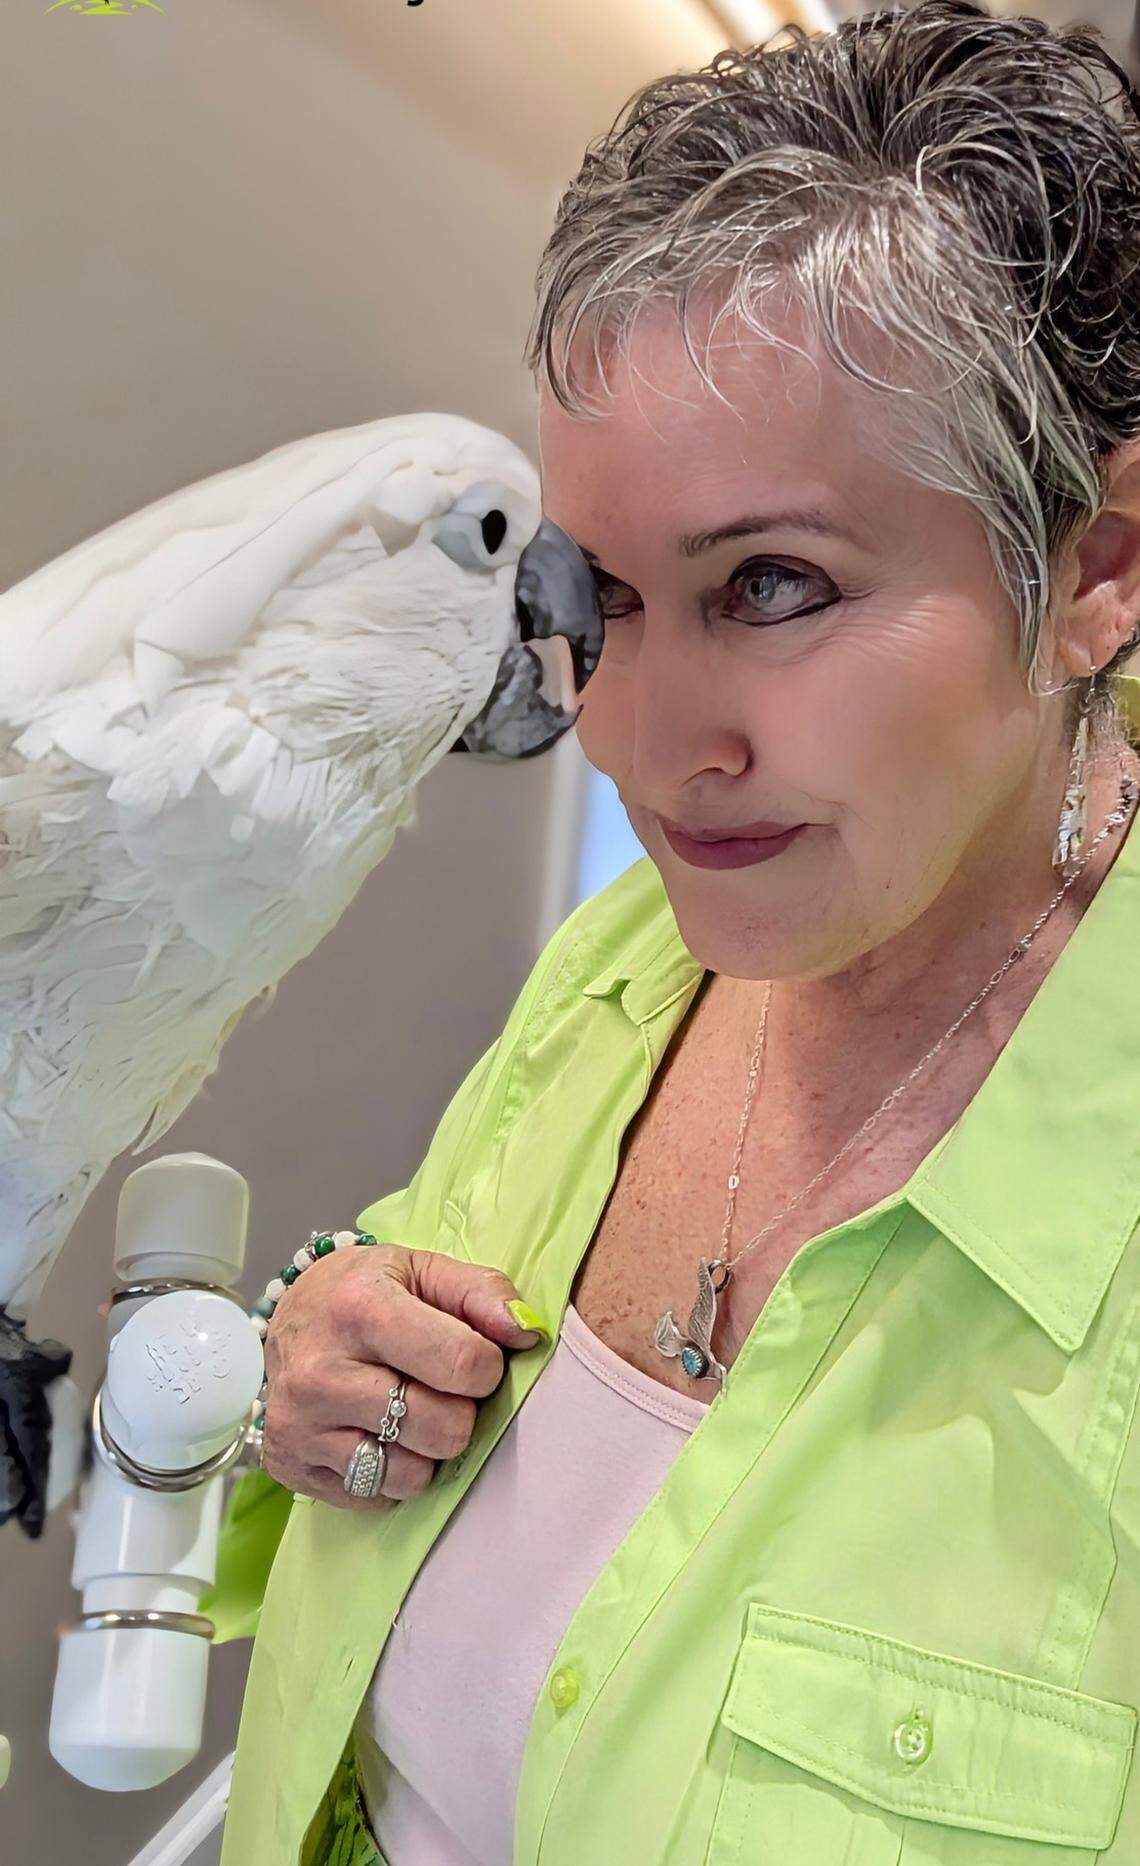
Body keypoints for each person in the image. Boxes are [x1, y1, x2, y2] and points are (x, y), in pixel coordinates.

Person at [218, 3, 1140, 1860]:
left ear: (1096, 572)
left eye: (773, 584)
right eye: (609, 601)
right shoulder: (628, 964)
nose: (638, 740)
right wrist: (308, 1354)